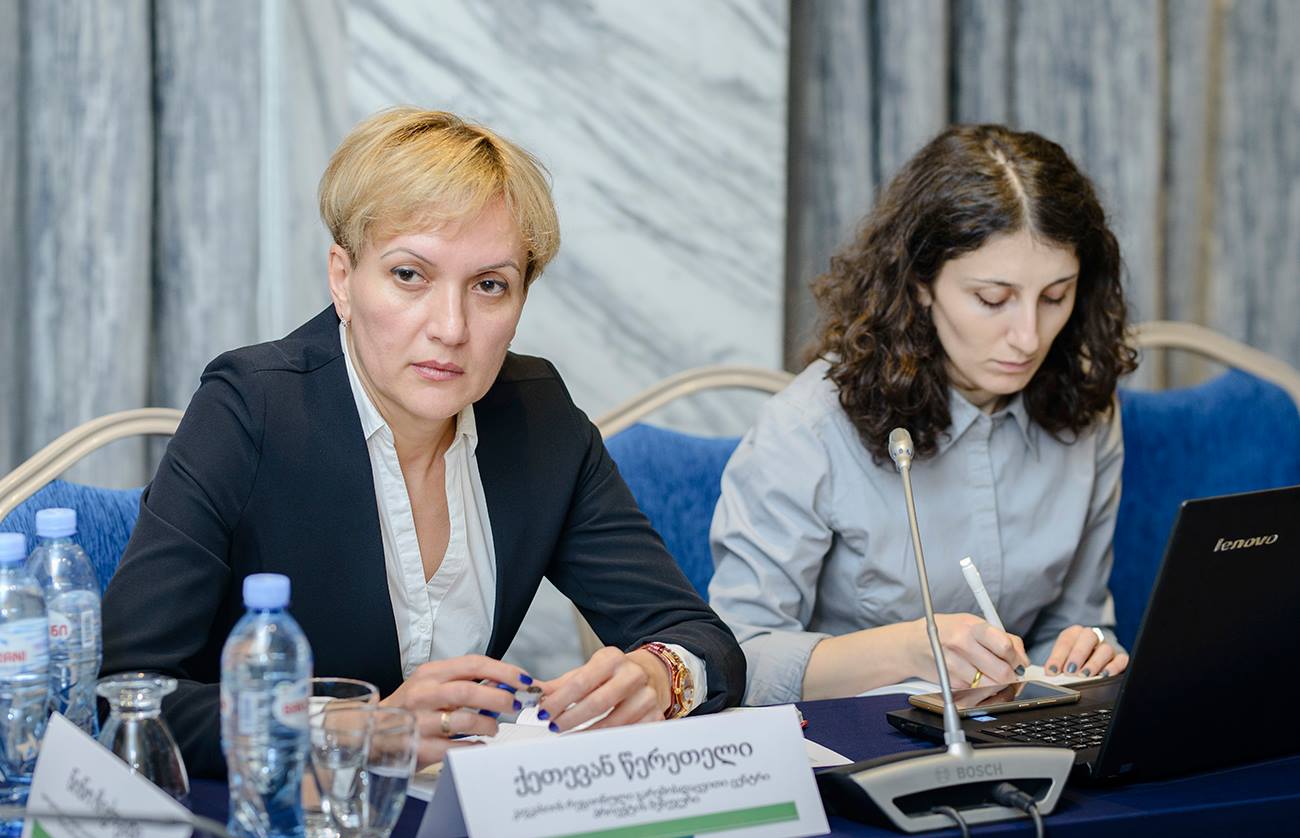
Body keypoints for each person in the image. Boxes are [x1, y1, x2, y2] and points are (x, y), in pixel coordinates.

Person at [101, 107, 745, 778]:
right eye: (410, 275)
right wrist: (355, 728)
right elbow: (123, 693)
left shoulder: (538, 417)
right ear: (343, 279)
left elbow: (702, 640)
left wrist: (660, 675)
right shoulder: (251, 409)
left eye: (490, 285)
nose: (451, 327)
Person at [708, 124, 1139, 705]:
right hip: (856, 738)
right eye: (992, 299)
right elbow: (737, 660)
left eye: (1055, 296)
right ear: (920, 283)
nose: (1028, 337)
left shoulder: (1087, 412)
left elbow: (1072, 624)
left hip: (1017, 736)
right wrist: (911, 648)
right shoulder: (808, 427)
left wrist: (1086, 652)